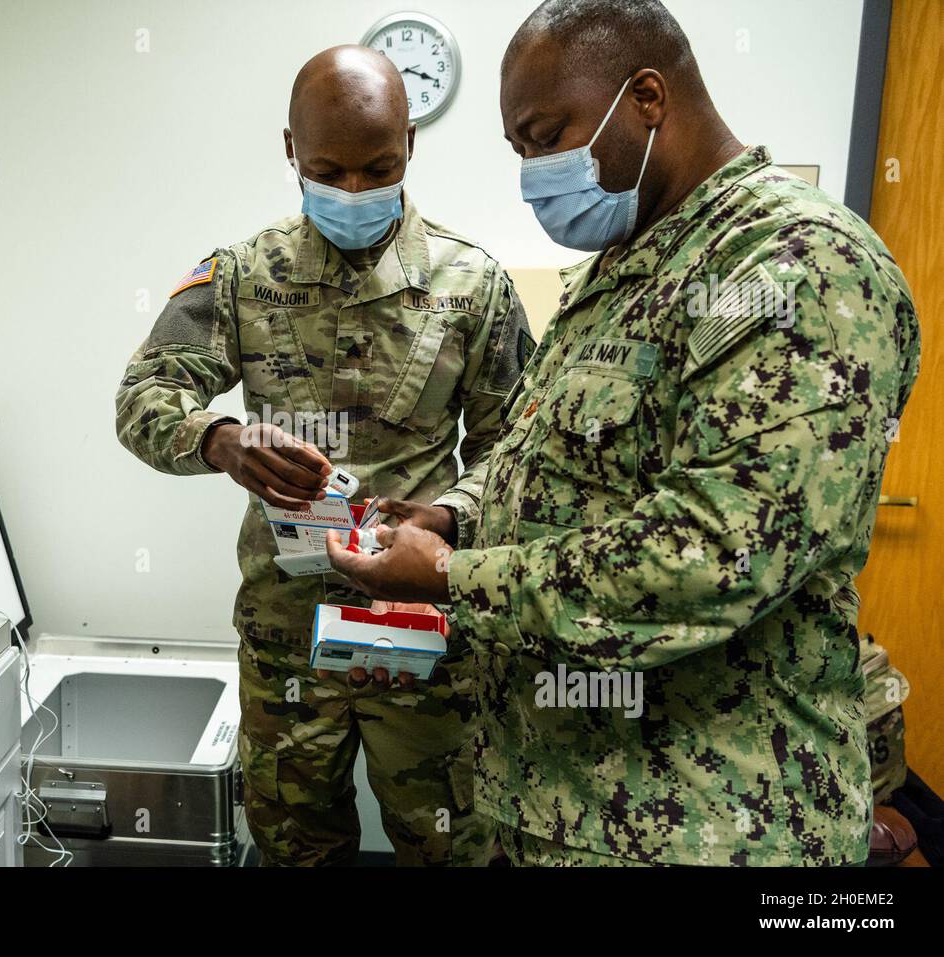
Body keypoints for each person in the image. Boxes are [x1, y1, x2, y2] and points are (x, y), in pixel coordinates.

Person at [327, 0, 920, 866]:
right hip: (556, 802)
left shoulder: (790, 266)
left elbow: (717, 552)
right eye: (520, 149)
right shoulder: (625, 265)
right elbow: (543, 456)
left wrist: (454, 575)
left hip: (704, 823)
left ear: (646, 96)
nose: (533, 170)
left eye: (545, 134)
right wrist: (450, 514)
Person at [115, 45, 532, 865]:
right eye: (327, 169)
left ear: (410, 143)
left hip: (423, 628)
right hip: (287, 635)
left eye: (376, 167)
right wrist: (221, 440)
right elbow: (142, 397)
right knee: (295, 850)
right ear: (290, 152)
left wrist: (452, 514)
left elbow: (518, 451)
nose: (352, 191)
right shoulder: (242, 277)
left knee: (457, 849)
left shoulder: (471, 283)